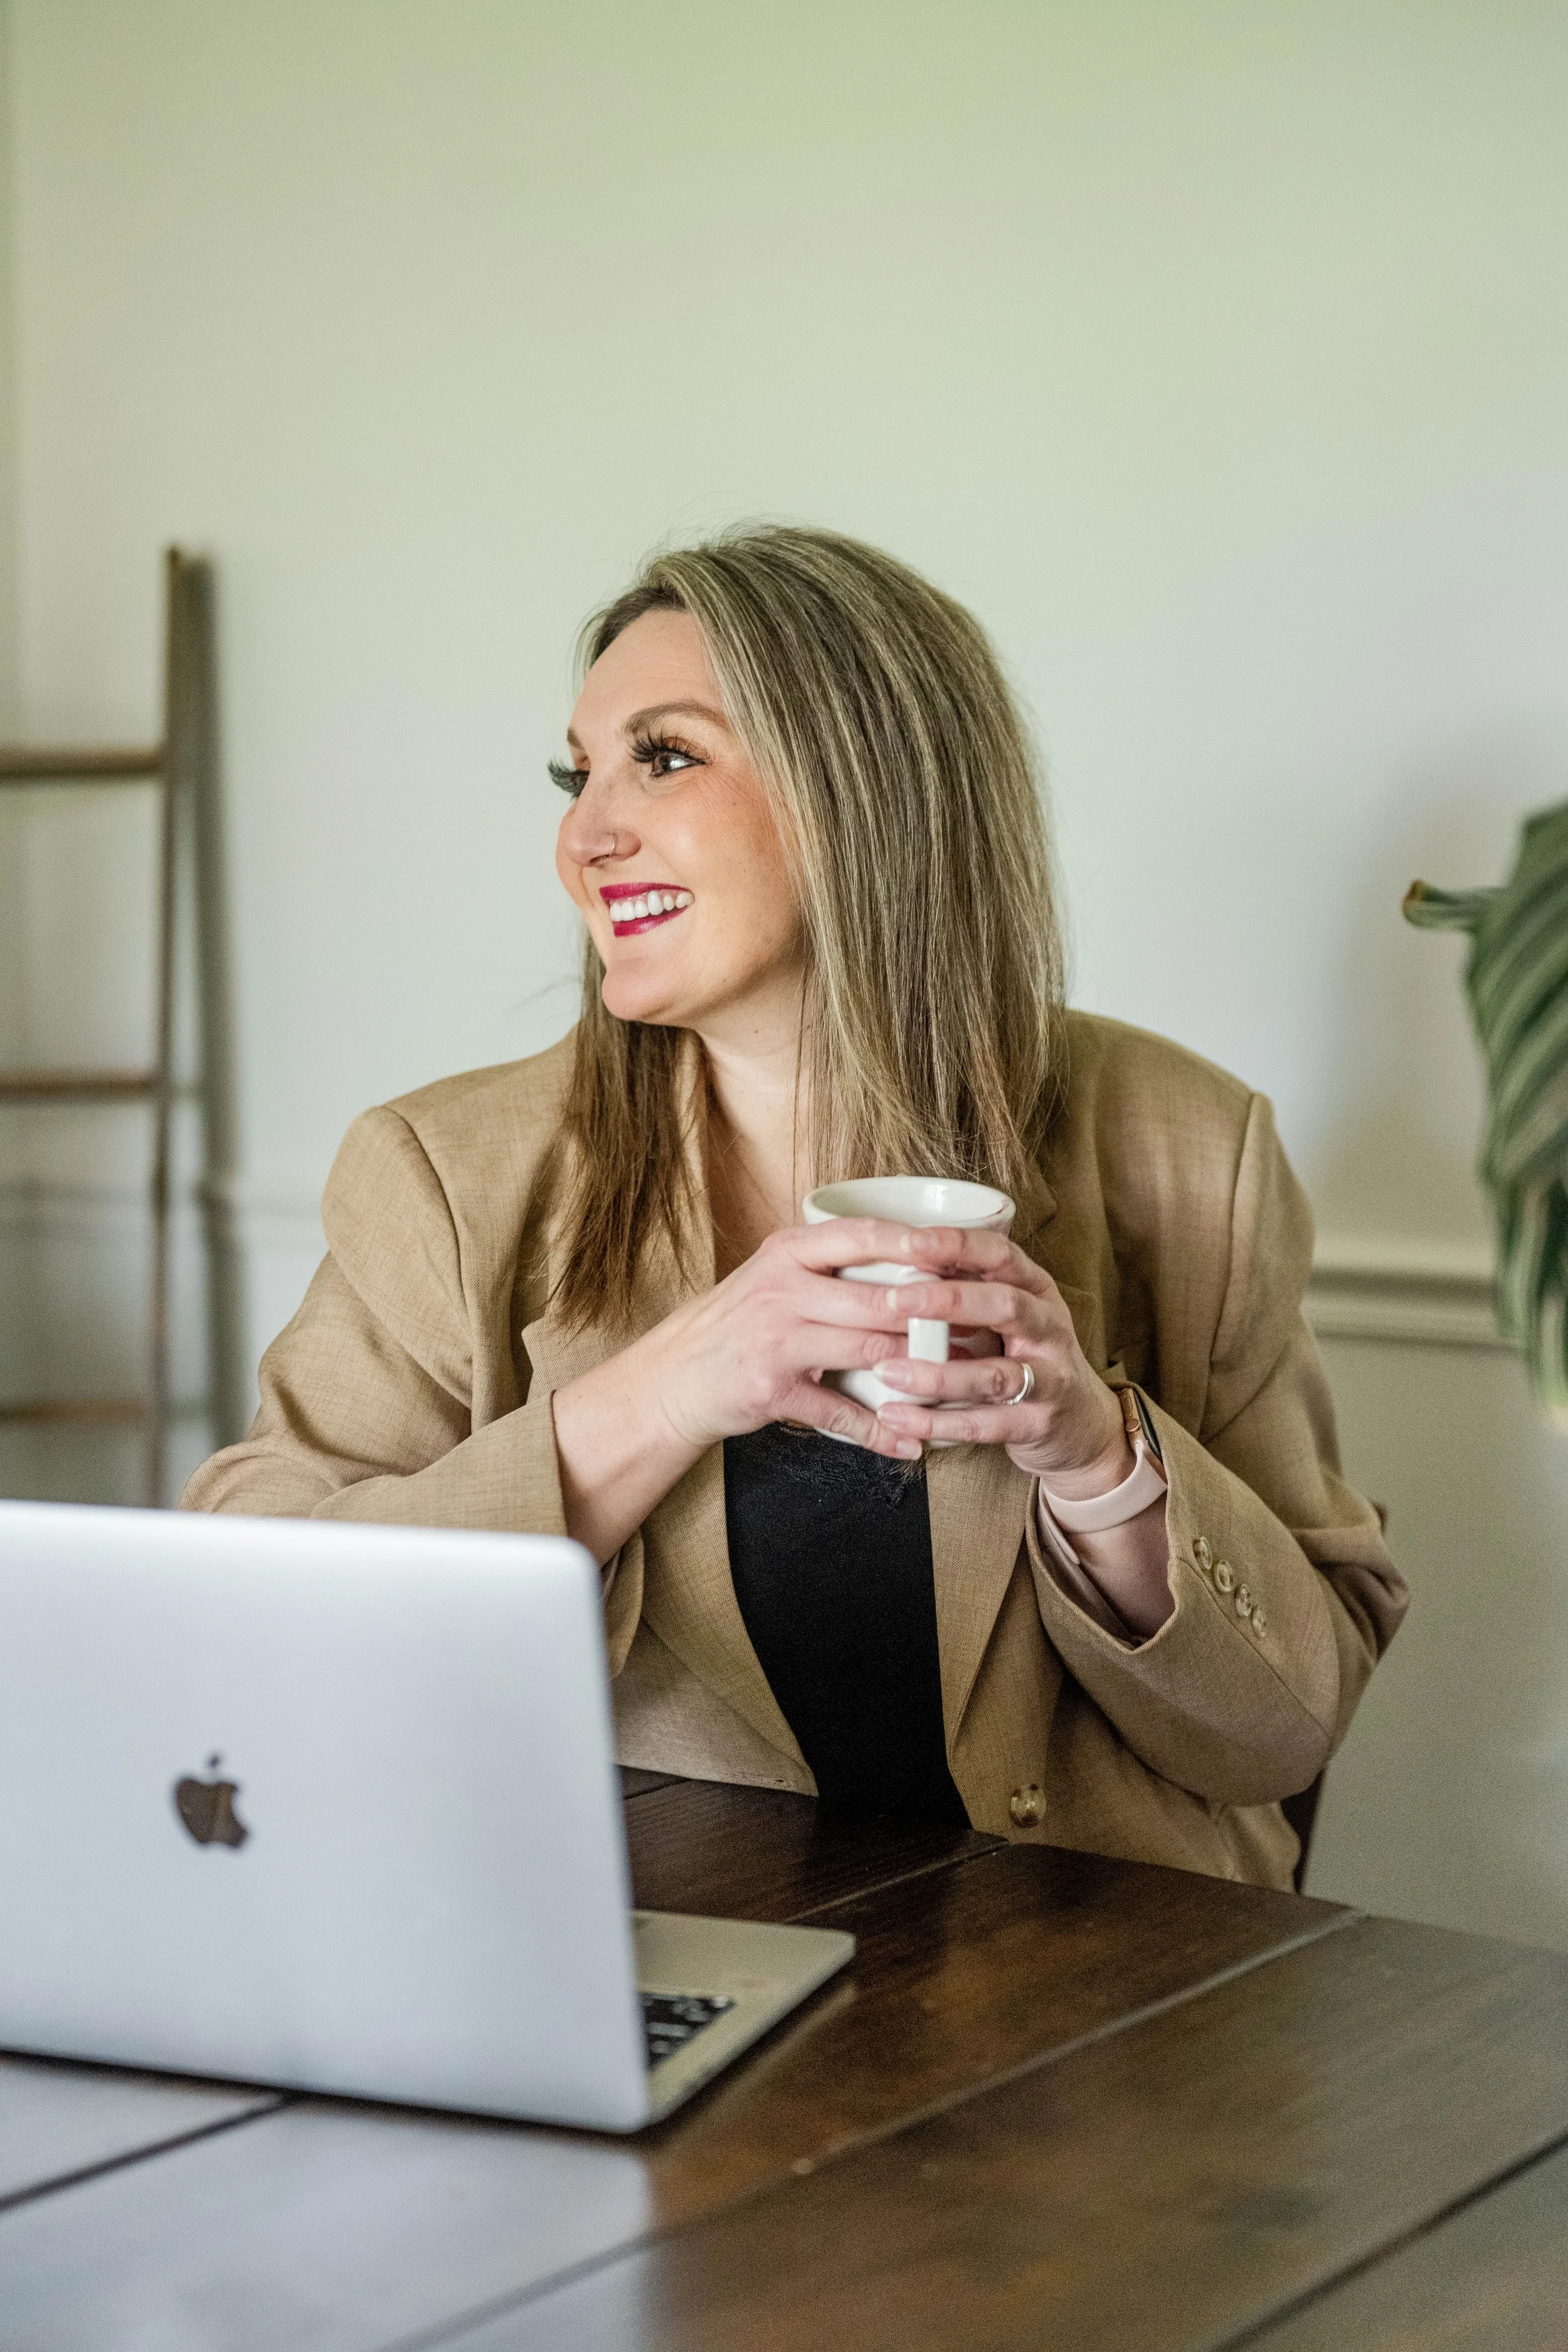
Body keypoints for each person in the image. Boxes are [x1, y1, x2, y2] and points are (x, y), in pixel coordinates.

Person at [183, 524, 1407, 1888]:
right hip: (643, 1972)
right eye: (573, 774)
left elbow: (1281, 1737)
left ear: (859, 791)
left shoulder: (1186, 1147)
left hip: (1095, 2004)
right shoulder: (448, 1169)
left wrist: (1097, 1453)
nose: (583, 836)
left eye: (663, 755)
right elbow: (257, 1629)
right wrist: (661, 1392)